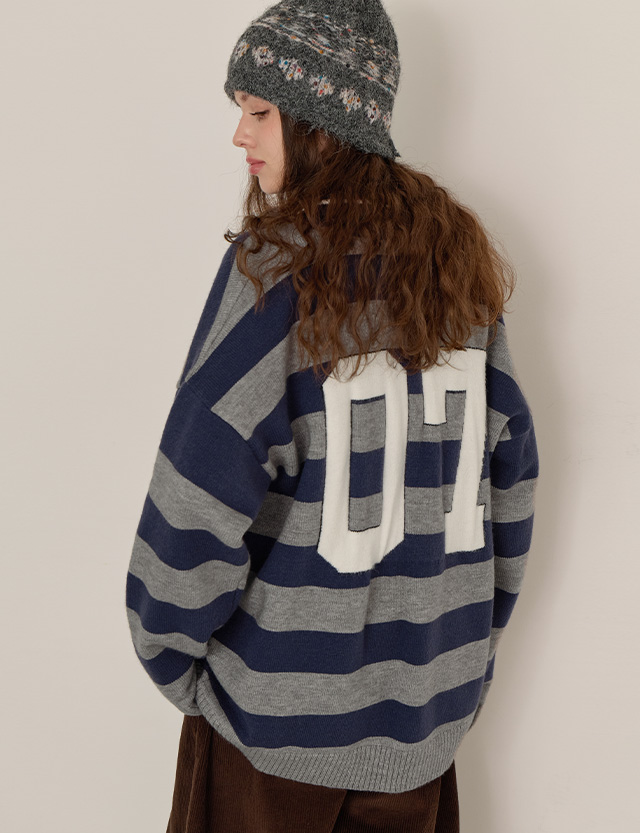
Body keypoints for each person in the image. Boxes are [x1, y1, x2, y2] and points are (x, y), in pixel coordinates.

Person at [125, 1, 539, 831]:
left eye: (259, 112)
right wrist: (462, 661)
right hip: (423, 730)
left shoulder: (274, 267)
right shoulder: (458, 263)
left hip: (271, 742)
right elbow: (511, 482)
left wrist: (174, 661)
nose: (240, 136)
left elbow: (198, 484)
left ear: (321, 124)